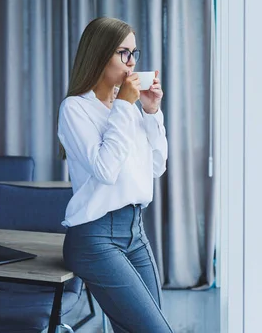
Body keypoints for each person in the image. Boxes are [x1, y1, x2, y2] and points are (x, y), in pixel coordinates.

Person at [58, 17, 173, 332]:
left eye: (134, 53)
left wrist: (151, 112)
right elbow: (106, 171)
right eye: (124, 53)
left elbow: (156, 167)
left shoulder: (129, 109)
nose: (132, 62)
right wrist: (125, 105)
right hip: (94, 238)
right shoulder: (75, 109)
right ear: (99, 54)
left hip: (134, 232)